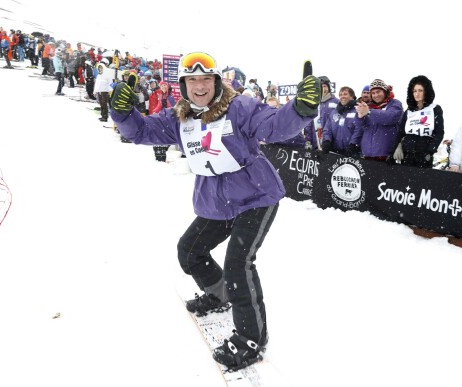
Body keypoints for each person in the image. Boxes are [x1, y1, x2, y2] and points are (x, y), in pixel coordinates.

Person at [109, 51, 320, 369]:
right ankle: (220, 294)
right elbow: (139, 131)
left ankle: (252, 340)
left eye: (206, 78)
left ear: (216, 81)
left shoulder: (240, 107)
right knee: (190, 251)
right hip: (217, 200)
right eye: (192, 79)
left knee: (239, 263)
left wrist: (300, 110)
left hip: (256, 196)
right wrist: (122, 112)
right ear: (183, 84)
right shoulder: (178, 119)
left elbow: (273, 126)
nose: (199, 85)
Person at [387, 75, 444, 168]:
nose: (417, 94)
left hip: (424, 156)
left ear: (426, 91)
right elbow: (400, 133)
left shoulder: (435, 109)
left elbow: (439, 133)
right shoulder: (408, 111)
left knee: (423, 182)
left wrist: (430, 151)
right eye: (414, 91)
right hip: (407, 155)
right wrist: (392, 152)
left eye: (420, 90)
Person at [353, 78, 404, 161]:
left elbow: (390, 117)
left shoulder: (394, 103)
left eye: (378, 92)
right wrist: (359, 116)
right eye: (373, 93)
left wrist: (369, 112)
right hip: (368, 153)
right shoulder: (368, 106)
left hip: (386, 154)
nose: (376, 95)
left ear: (384, 91)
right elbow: (360, 126)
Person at [320, 86, 361, 157]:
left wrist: (353, 144)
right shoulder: (334, 112)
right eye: (341, 95)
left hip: (352, 153)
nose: (342, 96)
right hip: (335, 152)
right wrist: (327, 141)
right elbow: (327, 129)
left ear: (352, 97)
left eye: (345, 94)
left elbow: (359, 130)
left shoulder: (358, 111)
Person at [303, 75, 339, 150]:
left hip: (332, 144)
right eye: (320, 87)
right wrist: (308, 140)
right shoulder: (313, 103)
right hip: (316, 142)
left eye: (325, 86)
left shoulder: (337, 102)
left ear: (329, 87)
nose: (323, 89)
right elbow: (309, 123)